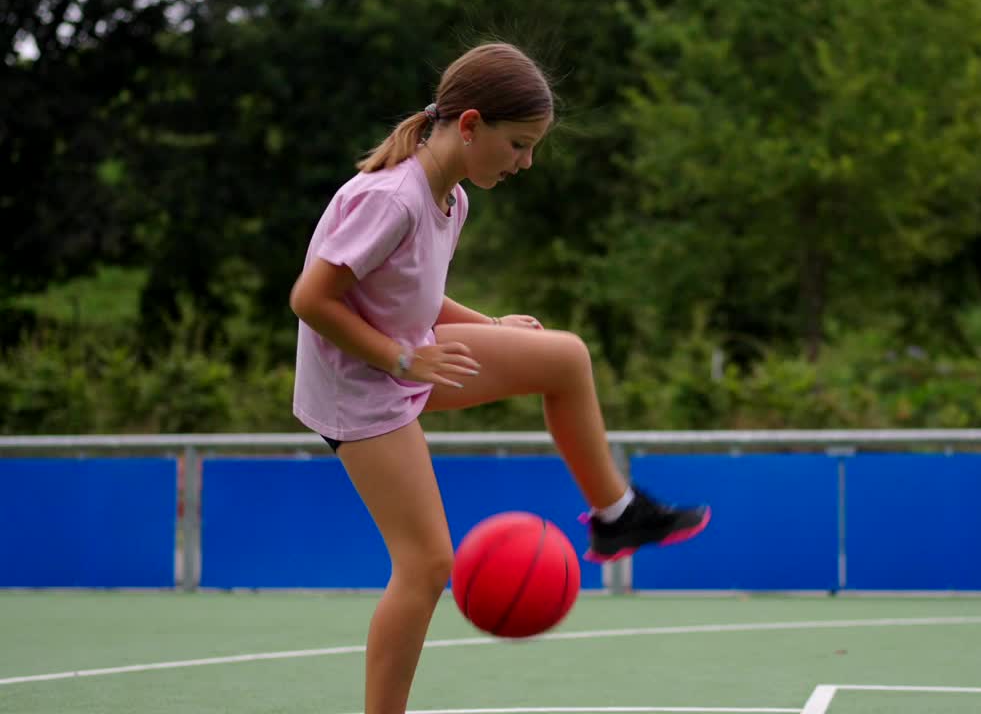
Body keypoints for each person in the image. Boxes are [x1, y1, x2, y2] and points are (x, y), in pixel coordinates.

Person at [288, 42, 710, 714]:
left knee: (564, 358)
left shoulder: (450, 198)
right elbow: (312, 300)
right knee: (426, 567)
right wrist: (403, 359)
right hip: (360, 387)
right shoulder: (390, 199)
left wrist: (488, 324)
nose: (526, 162)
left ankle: (617, 516)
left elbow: (408, 294)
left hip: (408, 356)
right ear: (471, 124)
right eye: (519, 144)